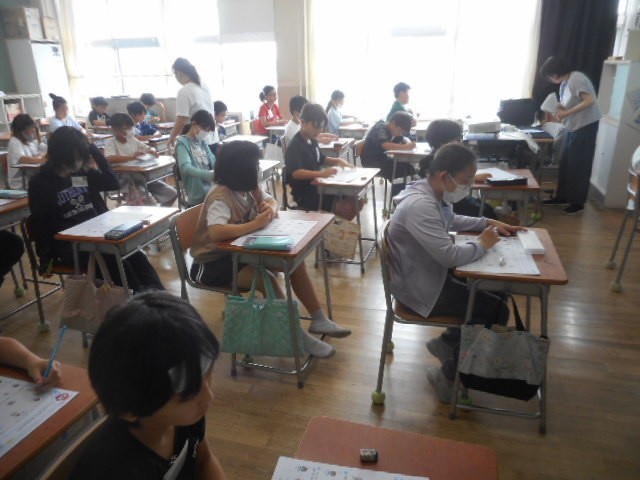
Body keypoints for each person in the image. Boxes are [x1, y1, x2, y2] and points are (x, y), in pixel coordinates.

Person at [189, 140, 351, 358]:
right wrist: (255, 224)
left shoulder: (248, 189)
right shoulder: (221, 195)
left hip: (239, 253)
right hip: (211, 265)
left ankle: (318, 318)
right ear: (241, 169)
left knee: (294, 264)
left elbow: (272, 201)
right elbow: (217, 232)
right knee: (267, 279)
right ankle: (297, 335)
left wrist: (270, 209)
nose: (258, 169)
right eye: (255, 165)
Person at [388, 143, 523, 403]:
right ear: (444, 176)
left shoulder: (431, 192)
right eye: (466, 180)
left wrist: (487, 222)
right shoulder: (420, 205)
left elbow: (451, 220)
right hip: (421, 290)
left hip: (429, 276)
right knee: (497, 312)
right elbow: (448, 256)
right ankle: (447, 376)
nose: (469, 185)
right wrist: (482, 244)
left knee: (497, 295)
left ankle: (448, 343)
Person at [69, 292, 225, 480]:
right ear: (131, 409)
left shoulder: (189, 416)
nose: (208, 397)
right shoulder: (113, 469)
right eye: (188, 392)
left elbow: (205, 459)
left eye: (207, 374)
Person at [28, 126, 164, 293]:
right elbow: (41, 223)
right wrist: (45, 258)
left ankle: (160, 298)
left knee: (136, 256)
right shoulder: (40, 183)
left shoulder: (81, 173)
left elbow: (112, 182)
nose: (78, 161)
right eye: (76, 157)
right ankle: (141, 298)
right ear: (61, 155)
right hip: (72, 245)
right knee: (117, 263)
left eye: (81, 156)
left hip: (100, 236)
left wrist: (94, 150)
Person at [539, 56, 602, 215]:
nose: (550, 79)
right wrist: (558, 108)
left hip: (585, 125)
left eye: (549, 75)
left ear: (555, 72)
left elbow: (590, 100)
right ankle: (563, 196)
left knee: (579, 164)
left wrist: (566, 113)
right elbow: (569, 103)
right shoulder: (565, 83)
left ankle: (577, 202)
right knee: (566, 163)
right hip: (573, 126)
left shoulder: (576, 78)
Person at [284, 103, 356, 216]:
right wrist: (322, 174)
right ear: (303, 122)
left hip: (318, 185)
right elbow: (296, 173)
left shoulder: (312, 140)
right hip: (305, 193)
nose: (318, 131)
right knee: (345, 208)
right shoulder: (295, 145)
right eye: (315, 127)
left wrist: (338, 161)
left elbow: (321, 158)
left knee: (355, 199)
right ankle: (335, 223)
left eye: (321, 127)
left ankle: (339, 223)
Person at [421, 119, 499, 221]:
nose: (460, 143)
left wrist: (472, 177)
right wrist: (470, 179)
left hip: (453, 203)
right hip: (450, 205)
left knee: (486, 207)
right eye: (457, 139)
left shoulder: (442, 158)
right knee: (485, 211)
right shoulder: (438, 163)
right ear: (443, 142)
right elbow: (450, 193)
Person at [104, 113, 177, 207]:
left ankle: (161, 212)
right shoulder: (111, 143)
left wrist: (152, 150)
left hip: (141, 177)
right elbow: (109, 158)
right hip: (126, 180)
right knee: (147, 203)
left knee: (172, 194)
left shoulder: (132, 140)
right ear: (115, 129)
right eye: (125, 129)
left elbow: (146, 147)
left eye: (130, 128)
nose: (129, 131)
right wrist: (131, 157)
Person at [360, 111, 416, 196]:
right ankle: (397, 199)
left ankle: (404, 196)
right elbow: (385, 145)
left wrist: (407, 142)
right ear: (393, 123)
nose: (400, 133)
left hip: (382, 159)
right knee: (401, 170)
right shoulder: (380, 128)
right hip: (372, 162)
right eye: (400, 130)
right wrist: (407, 147)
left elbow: (403, 138)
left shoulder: (391, 129)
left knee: (409, 168)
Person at [168, 58, 215, 148]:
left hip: (197, 140)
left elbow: (181, 120)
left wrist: (172, 138)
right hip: (211, 138)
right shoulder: (203, 85)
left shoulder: (184, 91)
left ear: (179, 73)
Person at [175, 110, 217, 207]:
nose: (205, 133)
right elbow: (185, 168)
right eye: (204, 129)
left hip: (211, 189)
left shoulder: (202, 142)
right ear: (194, 124)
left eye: (207, 131)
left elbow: (214, 161)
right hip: (197, 193)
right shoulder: (182, 143)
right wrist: (208, 175)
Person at [7, 113, 47, 189]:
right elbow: (22, 159)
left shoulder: (29, 141)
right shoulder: (14, 142)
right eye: (31, 128)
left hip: (32, 178)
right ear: (22, 131)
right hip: (21, 183)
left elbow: (41, 150)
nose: (33, 130)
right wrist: (41, 160)